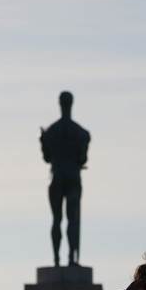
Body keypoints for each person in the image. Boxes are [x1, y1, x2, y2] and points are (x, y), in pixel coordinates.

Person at [40, 90, 91, 266]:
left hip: (56, 176)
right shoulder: (81, 133)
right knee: (72, 219)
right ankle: (71, 258)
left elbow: (46, 158)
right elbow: (82, 158)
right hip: (73, 177)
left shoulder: (51, 132)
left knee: (56, 219)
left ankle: (57, 258)